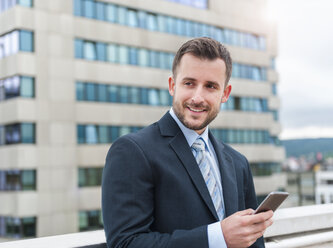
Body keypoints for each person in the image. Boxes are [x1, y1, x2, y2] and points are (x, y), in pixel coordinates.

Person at [102, 37, 273, 248]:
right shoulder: (132, 151)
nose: (197, 97)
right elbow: (125, 243)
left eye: (210, 86)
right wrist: (218, 237)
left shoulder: (238, 163)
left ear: (225, 94)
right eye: (189, 83)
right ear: (172, 86)